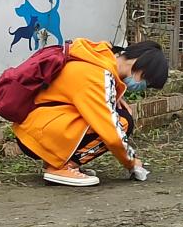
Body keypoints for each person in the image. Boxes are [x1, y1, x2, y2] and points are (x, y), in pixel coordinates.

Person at [13, 39, 169, 187]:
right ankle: (62, 168)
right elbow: (110, 130)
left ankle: (58, 161)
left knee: (119, 116)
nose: (143, 86)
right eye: (146, 81)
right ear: (139, 65)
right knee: (123, 123)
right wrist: (131, 162)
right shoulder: (99, 76)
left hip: (35, 127)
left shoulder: (97, 59)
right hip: (39, 132)